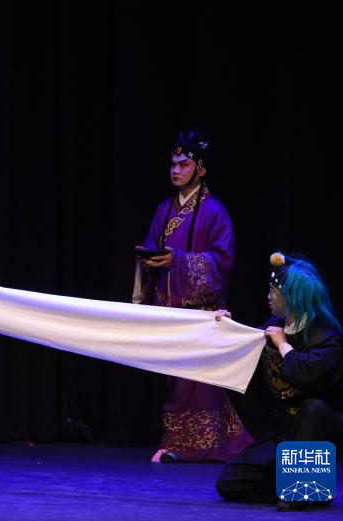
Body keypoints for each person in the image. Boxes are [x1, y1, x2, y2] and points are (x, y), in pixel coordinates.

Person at [132, 128, 252, 462]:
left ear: (201, 169)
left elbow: (224, 262)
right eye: (172, 164)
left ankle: (185, 446)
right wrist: (148, 259)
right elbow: (154, 248)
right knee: (178, 380)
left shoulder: (215, 212)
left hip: (201, 312)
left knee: (196, 383)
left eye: (183, 164)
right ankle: (209, 441)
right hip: (169, 309)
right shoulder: (163, 210)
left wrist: (179, 261)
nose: (175, 170)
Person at [215, 252, 343, 510]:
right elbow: (246, 343)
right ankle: (312, 486)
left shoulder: (327, 338)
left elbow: (307, 375)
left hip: (319, 432)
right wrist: (229, 326)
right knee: (231, 483)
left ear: (292, 297)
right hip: (286, 430)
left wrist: (283, 346)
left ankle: (302, 489)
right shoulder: (274, 326)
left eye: (273, 291)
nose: (268, 296)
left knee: (313, 407)